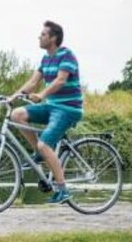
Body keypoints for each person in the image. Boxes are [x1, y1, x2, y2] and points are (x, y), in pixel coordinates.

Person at [8, 20, 83, 204]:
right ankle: (39, 154)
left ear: (53, 38)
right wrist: (13, 96)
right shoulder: (45, 59)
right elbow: (33, 82)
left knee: (44, 144)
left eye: (43, 34)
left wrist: (42, 95)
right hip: (52, 107)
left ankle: (63, 190)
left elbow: (60, 81)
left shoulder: (67, 55)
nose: (39, 37)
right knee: (17, 114)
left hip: (68, 109)